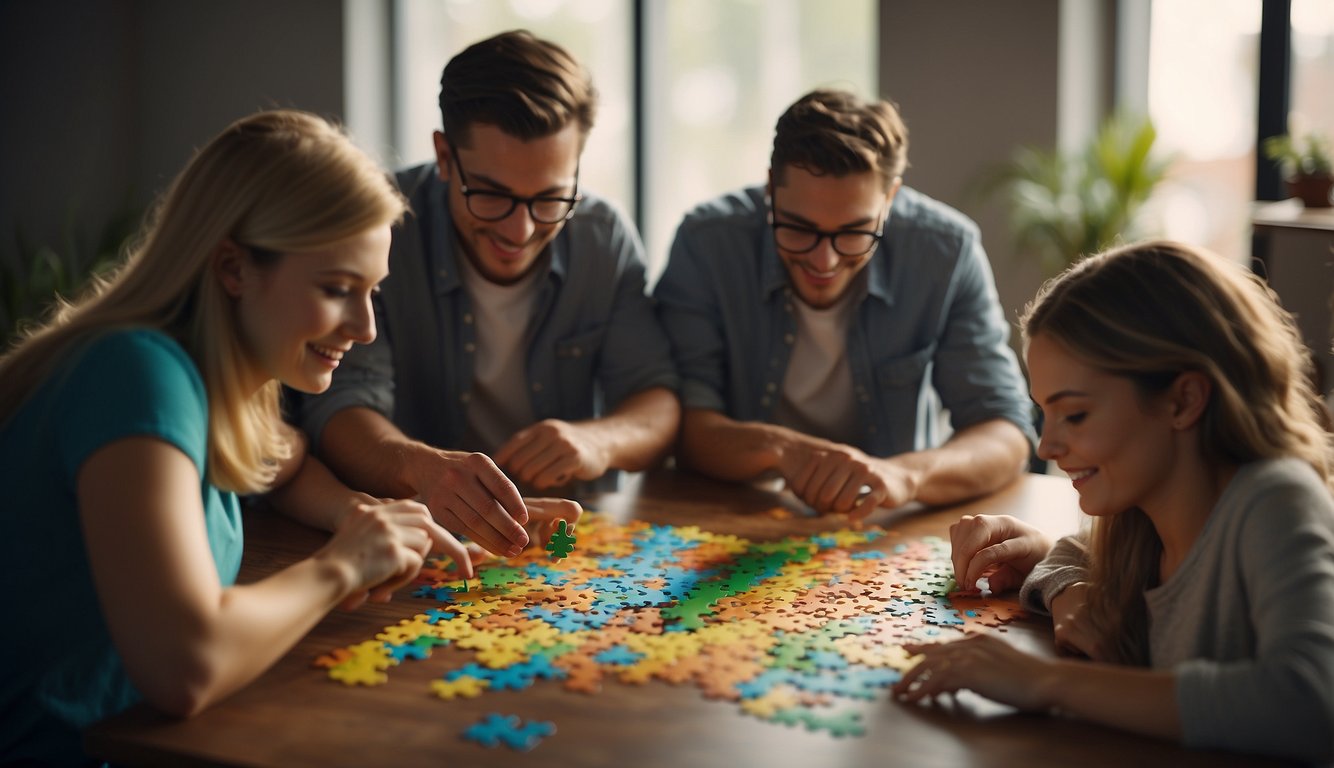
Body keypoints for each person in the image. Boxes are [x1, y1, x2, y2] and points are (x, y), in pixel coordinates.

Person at [0, 110, 579, 766]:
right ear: (233, 269)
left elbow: (283, 461)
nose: (364, 328)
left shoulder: (222, 378)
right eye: (337, 290)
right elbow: (184, 668)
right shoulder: (135, 372)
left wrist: (356, 512)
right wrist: (344, 564)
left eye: (372, 294)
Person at [895, 240, 1334, 763]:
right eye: (1044, 414)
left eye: (1074, 415)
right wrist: (1067, 589)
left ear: (1182, 400)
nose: (1047, 447)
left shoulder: (1274, 500)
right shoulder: (1140, 513)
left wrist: (1048, 682)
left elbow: (1311, 702)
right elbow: (1068, 555)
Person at [295, 30, 679, 556]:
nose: (520, 231)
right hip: (415, 543)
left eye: (550, 198)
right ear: (444, 157)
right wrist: (419, 465)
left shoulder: (602, 235)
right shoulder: (380, 229)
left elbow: (657, 401)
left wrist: (597, 440)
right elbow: (339, 406)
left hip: (565, 547)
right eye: (493, 195)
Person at [653, 89, 1034, 517]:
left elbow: (1006, 429)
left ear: (889, 199)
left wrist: (905, 476)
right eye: (798, 228)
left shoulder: (945, 252)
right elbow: (681, 426)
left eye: (854, 232)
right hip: (736, 519)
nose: (824, 260)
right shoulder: (707, 243)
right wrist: (783, 450)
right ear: (769, 192)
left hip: (888, 530)